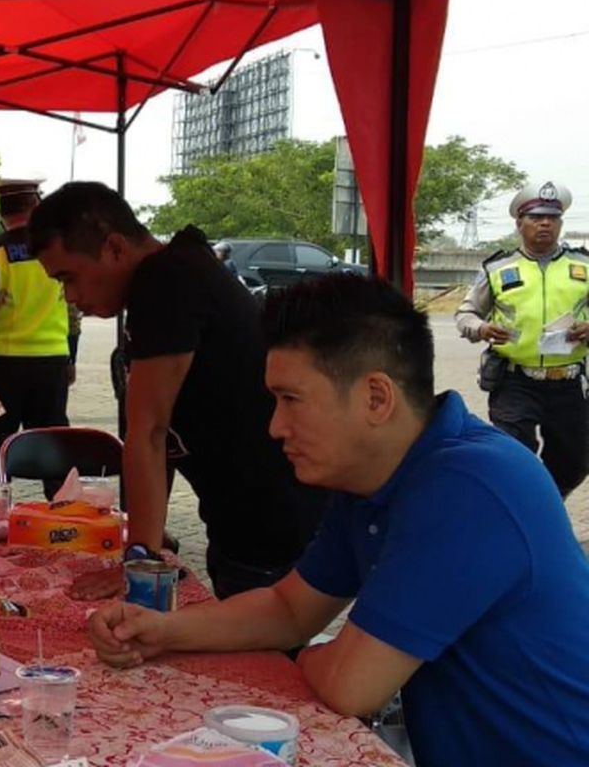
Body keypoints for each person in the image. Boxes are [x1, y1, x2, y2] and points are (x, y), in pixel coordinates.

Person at [88, 275, 589, 767]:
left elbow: (353, 687)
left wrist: (306, 656)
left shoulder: (470, 485)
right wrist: (161, 629)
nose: (275, 426)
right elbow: (288, 609)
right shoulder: (375, 476)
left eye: (291, 400)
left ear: (376, 398)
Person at [27, 182, 326, 600]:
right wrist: (147, 540)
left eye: (68, 278)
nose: (70, 298)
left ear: (114, 248)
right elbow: (157, 438)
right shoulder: (179, 268)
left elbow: (147, 432)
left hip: (270, 525)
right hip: (255, 520)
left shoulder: (165, 282)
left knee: (253, 659)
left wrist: (140, 560)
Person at [455, 180, 589, 496]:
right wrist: (481, 329)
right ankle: (525, 513)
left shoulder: (583, 265)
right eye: (536, 217)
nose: (545, 224)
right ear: (519, 223)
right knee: (513, 458)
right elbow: (465, 314)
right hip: (516, 383)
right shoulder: (498, 268)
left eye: (552, 218)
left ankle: (544, 503)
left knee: (576, 461)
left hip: (569, 383)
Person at [0, 179, 80, 490]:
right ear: (37, 208)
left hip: (3, 368)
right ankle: (66, 523)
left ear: (2, 214)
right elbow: (73, 311)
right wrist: (71, 359)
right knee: (56, 454)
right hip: (53, 364)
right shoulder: (60, 248)